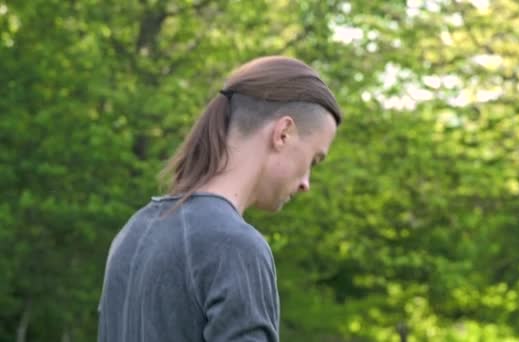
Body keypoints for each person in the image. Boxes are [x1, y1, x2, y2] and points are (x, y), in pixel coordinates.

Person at [97, 56, 343, 342]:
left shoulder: (133, 231)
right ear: (283, 134)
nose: (306, 184)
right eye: (314, 160)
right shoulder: (235, 246)